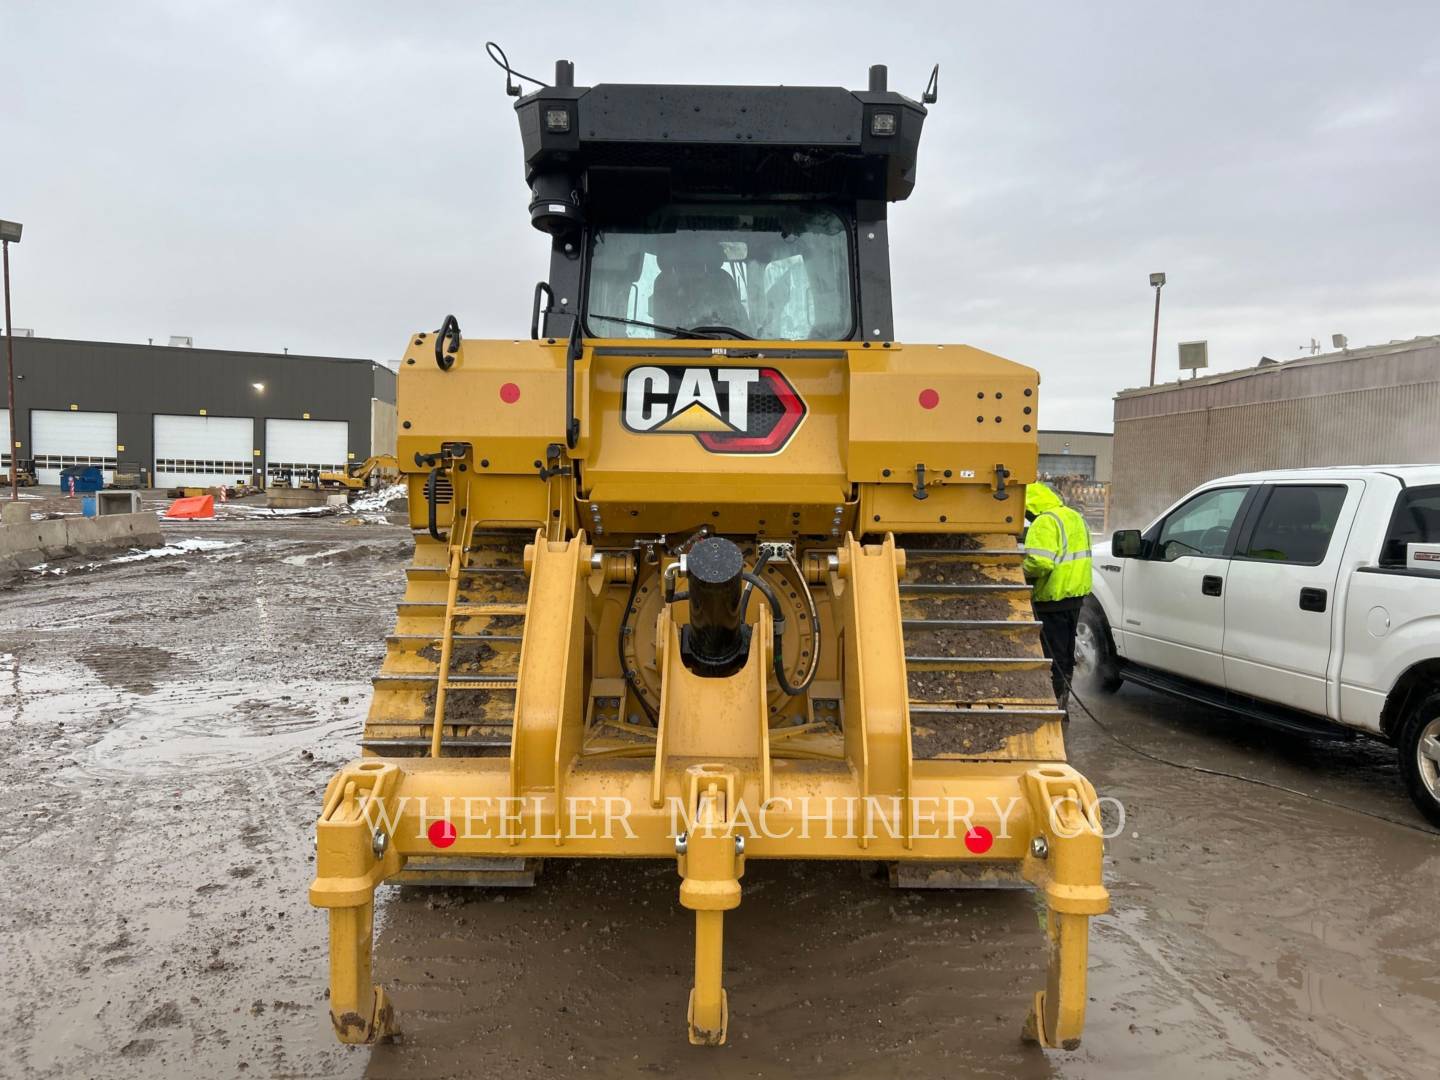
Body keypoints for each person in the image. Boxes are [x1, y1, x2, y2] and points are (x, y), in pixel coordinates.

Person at [1022, 482, 1093, 715]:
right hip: (1074, 598)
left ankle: (1051, 707)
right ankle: (1062, 705)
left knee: (1051, 657)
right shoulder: (1074, 516)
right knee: (1065, 654)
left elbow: (1040, 562)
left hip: (1052, 600)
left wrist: (1015, 569)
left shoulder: (1045, 521)